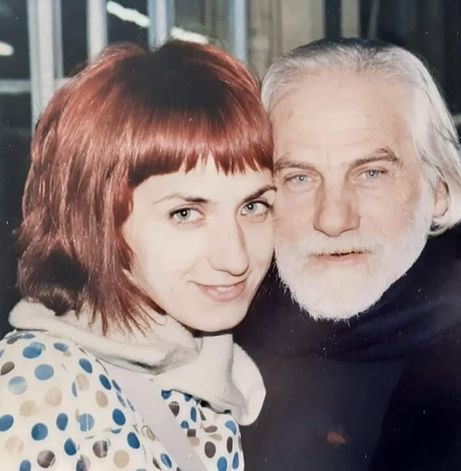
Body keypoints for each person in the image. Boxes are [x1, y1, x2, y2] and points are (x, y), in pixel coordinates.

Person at [0, 40, 275, 470]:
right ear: (100, 221)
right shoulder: (41, 381)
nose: (235, 258)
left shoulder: (220, 375)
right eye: (186, 213)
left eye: (254, 206)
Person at [236, 38, 461, 471]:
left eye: (371, 173)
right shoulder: (213, 336)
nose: (333, 219)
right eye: (299, 178)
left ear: (440, 190)